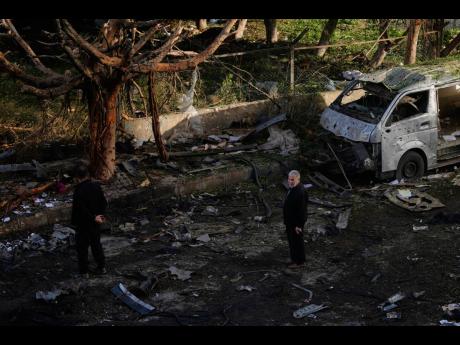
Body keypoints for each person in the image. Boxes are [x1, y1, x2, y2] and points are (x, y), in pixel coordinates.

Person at [71, 163, 108, 277]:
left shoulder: (78, 191)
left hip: (83, 224)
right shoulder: (96, 186)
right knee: (96, 244)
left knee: (82, 248)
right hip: (96, 223)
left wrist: (91, 217)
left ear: (77, 177)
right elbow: (103, 202)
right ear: (87, 174)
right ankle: (101, 267)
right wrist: (100, 216)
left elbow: (81, 210)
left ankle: (84, 271)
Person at [283, 170, 307, 269]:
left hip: (295, 224)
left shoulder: (300, 192)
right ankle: (296, 259)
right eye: (289, 179)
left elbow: (302, 211)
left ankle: (298, 262)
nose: (290, 181)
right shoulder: (293, 188)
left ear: (298, 179)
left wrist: (299, 225)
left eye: (292, 180)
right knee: (293, 241)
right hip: (290, 222)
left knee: (296, 242)